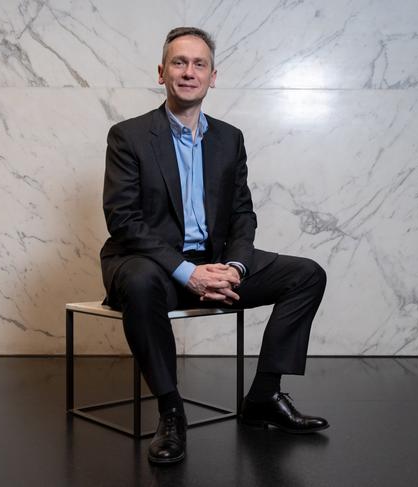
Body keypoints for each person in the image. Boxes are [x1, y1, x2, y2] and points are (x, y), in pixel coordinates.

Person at [100, 26, 328, 465]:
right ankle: (171, 411)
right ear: (162, 72)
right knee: (144, 282)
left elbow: (243, 214)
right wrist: (189, 273)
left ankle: (263, 397)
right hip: (146, 262)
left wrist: (236, 268)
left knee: (306, 274)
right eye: (179, 63)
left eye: (198, 64)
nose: (189, 72)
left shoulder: (229, 138)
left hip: (215, 261)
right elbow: (123, 221)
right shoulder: (128, 136)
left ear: (213, 75)